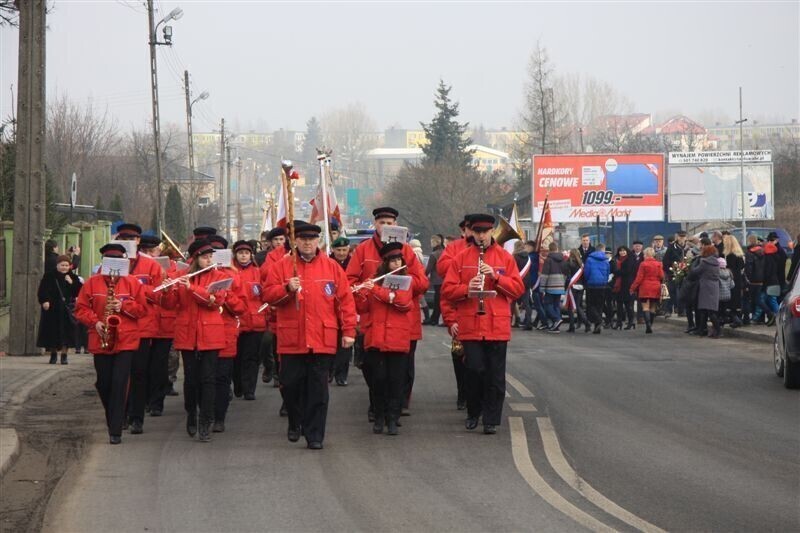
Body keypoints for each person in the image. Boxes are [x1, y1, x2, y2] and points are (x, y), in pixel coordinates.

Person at [263, 222, 357, 450]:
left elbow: (344, 301)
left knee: (318, 390)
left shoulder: (332, 267)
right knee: (290, 385)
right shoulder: (282, 266)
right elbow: (267, 295)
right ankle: (295, 421)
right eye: (303, 239)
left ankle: (315, 435)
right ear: (295, 241)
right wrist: (286, 288)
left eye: (312, 239)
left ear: (319, 241)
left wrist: (348, 331)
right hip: (292, 338)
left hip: (322, 338)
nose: (307, 243)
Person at [441, 214, 524, 435]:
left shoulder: (505, 258)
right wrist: (467, 288)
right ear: (472, 232)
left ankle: (491, 419)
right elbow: (447, 291)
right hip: (471, 325)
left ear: (491, 232)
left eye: (485, 232)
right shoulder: (461, 258)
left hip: (497, 325)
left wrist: (496, 277)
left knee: (495, 376)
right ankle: (473, 412)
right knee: (475, 371)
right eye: (477, 231)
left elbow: (517, 289)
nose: (481, 236)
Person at [346, 207, 428, 421]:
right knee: (371, 367)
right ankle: (378, 404)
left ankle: (398, 405)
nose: (386, 226)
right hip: (372, 319)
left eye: (390, 222)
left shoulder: (407, 252)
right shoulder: (363, 250)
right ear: (375, 225)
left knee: (403, 368)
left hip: (403, 320)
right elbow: (349, 282)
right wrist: (368, 289)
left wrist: (403, 280)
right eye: (382, 222)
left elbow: (422, 284)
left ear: (397, 225)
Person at [161, 239, 235, 442]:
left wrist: (192, 289)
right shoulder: (181, 276)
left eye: (210, 256)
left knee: (208, 379)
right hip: (187, 333)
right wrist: (167, 290)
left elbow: (216, 302)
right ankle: (191, 413)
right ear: (195, 258)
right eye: (205, 257)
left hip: (211, 334)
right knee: (191, 380)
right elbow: (169, 305)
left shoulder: (220, 276)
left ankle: (206, 420)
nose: (209, 260)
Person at [74, 243, 148, 444]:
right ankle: (114, 416)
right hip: (101, 338)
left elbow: (142, 310)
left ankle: (115, 429)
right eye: (110, 261)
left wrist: (123, 305)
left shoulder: (132, 283)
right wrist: (94, 322)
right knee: (104, 383)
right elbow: (80, 308)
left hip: (126, 339)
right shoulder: (91, 283)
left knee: (119, 382)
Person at [353, 242, 414, 435]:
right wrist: (360, 293)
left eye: (398, 260)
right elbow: (362, 309)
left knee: (395, 381)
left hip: (397, 338)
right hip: (376, 338)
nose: (396, 264)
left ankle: (393, 419)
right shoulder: (374, 280)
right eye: (392, 261)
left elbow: (403, 303)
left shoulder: (406, 281)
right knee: (378, 380)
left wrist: (377, 291)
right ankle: (379, 417)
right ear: (385, 263)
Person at [114, 223, 164, 435]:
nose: (129, 243)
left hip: (143, 327)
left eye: (133, 239)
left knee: (139, 374)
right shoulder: (112, 262)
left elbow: (160, 294)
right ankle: (120, 415)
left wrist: (137, 288)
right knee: (120, 375)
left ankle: (137, 418)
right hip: (118, 328)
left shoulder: (151, 265)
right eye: (124, 239)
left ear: (138, 242)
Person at [137, 235, 174, 417]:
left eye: (153, 251)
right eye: (146, 251)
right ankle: (142, 401)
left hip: (164, 324)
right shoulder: (137, 267)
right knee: (142, 366)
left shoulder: (172, 267)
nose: (150, 254)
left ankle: (156, 402)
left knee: (159, 366)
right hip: (144, 323)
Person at [231, 240, 264, 403]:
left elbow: (265, 294)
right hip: (236, 321)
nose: (243, 256)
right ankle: (238, 384)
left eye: (246, 253)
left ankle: (249, 388)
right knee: (236, 357)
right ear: (235, 255)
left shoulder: (258, 272)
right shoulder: (230, 272)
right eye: (240, 253)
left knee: (251, 357)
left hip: (255, 321)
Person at [37, 255, 83, 364]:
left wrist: (72, 283)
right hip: (52, 310)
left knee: (66, 334)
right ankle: (53, 354)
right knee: (52, 333)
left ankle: (64, 355)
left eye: (66, 265)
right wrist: (45, 301)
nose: (64, 267)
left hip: (66, 310)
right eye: (62, 265)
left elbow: (79, 292)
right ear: (57, 265)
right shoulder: (49, 276)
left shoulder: (73, 277)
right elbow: (42, 290)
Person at [329, 236, 353, 386]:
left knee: (345, 346)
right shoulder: (328, 263)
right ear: (333, 250)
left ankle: (341, 375)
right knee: (331, 343)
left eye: (344, 250)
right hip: (331, 307)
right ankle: (329, 371)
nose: (342, 253)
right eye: (338, 250)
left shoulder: (353, 263)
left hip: (347, 304)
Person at [688, 244, 721, 337]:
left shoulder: (705, 262)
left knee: (706, 311)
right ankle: (705, 330)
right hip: (714, 287)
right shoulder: (716, 262)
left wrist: (691, 265)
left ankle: (716, 331)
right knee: (710, 310)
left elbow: (695, 271)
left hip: (705, 287)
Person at [630, 247, 664, 334]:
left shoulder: (643, 264)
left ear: (646, 255)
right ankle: (650, 325)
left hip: (645, 287)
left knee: (645, 307)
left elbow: (639, 278)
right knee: (653, 307)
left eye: (644, 254)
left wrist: (633, 288)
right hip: (656, 287)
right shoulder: (659, 264)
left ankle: (648, 325)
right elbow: (661, 276)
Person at [539, 242, 569, 333]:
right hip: (560, 285)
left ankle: (556, 319)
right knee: (556, 305)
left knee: (547, 304)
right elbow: (565, 272)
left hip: (551, 285)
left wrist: (542, 288)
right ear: (556, 249)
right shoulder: (563, 259)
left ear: (549, 249)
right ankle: (556, 326)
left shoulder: (548, 260)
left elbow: (545, 275)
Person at [583, 243, 610, 334]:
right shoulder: (606, 260)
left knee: (590, 305)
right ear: (603, 249)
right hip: (602, 285)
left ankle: (598, 321)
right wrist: (605, 281)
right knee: (599, 305)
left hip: (591, 284)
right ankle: (597, 327)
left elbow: (586, 272)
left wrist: (587, 280)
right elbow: (607, 273)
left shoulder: (589, 259)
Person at [721, 234, 745, 328]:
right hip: (738, 278)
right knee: (736, 299)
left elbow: (728, 267)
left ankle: (735, 319)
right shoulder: (739, 254)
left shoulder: (730, 255)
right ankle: (737, 317)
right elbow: (742, 266)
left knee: (731, 300)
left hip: (731, 279)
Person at [663, 231, 688, 316]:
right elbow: (665, 261)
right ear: (677, 237)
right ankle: (669, 310)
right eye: (680, 237)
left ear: (686, 237)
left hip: (685, 274)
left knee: (683, 293)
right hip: (673, 273)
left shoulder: (687, 247)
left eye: (683, 237)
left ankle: (681, 310)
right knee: (671, 292)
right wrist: (670, 271)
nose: (682, 238)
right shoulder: (671, 247)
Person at [611, 246, 636, 330]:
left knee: (628, 305)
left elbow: (627, 271)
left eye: (623, 251)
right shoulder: (616, 259)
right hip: (618, 286)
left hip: (627, 285)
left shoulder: (630, 259)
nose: (622, 252)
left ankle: (631, 322)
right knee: (619, 306)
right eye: (620, 251)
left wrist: (616, 272)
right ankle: (619, 322)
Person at [565, 249, 590, 333]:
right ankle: (586, 323)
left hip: (572, 286)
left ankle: (573, 325)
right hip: (580, 286)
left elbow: (568, 277)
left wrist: (566, 287)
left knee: (570, 306)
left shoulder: (569, 263)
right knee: (578, 306)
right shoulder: (581, 264)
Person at [424, 233, 445, 326]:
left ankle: (434, 319)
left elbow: (428, 269)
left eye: (431, 242)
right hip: (444, 279)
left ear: (435, 242)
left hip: (436, 280)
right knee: (440, 300)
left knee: (437, 300)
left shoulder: (434, 254)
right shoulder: (444, 251)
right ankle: (435, 318)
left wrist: (423, 277)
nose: (431, 244)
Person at [409, 238, 430, 324]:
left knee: (421, 299)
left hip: (418, 277)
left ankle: (427, 317)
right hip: (422, 276)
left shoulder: (414, 253)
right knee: (421, 299)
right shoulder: (420, 253)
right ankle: (427, 317)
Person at [717, 257, 735, 332]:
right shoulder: (729, 273)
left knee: (719, 310)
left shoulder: (717, 273)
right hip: (727, 295)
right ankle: (723, 321)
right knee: (724, 309)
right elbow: (732, 285)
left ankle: (719, 323)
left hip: (719, 296)